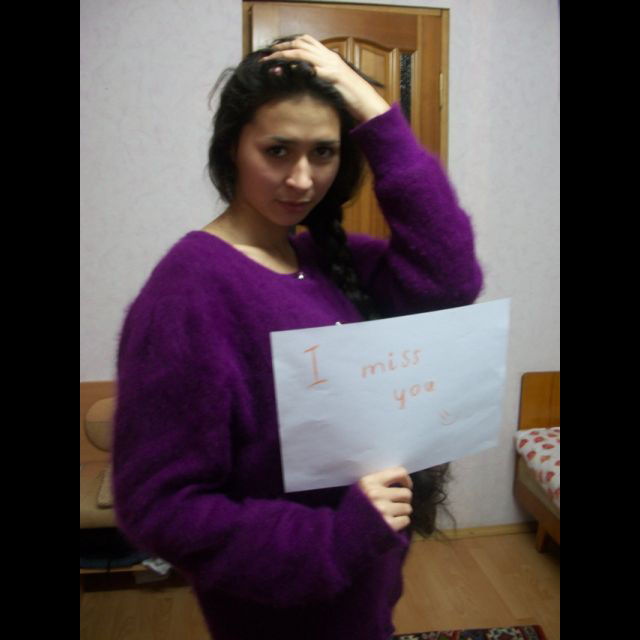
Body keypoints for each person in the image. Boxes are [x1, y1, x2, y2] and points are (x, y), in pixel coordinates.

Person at [113, 34, 483, 640]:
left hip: (366, 593)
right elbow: (160, 505)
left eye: (324, 152)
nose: (302, 179)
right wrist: (334, 539)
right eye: (278, 150)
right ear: (232, 148)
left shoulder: (326, 260)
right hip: (282, 614)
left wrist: (379, 118)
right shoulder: (188, 294)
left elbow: (450, 281)